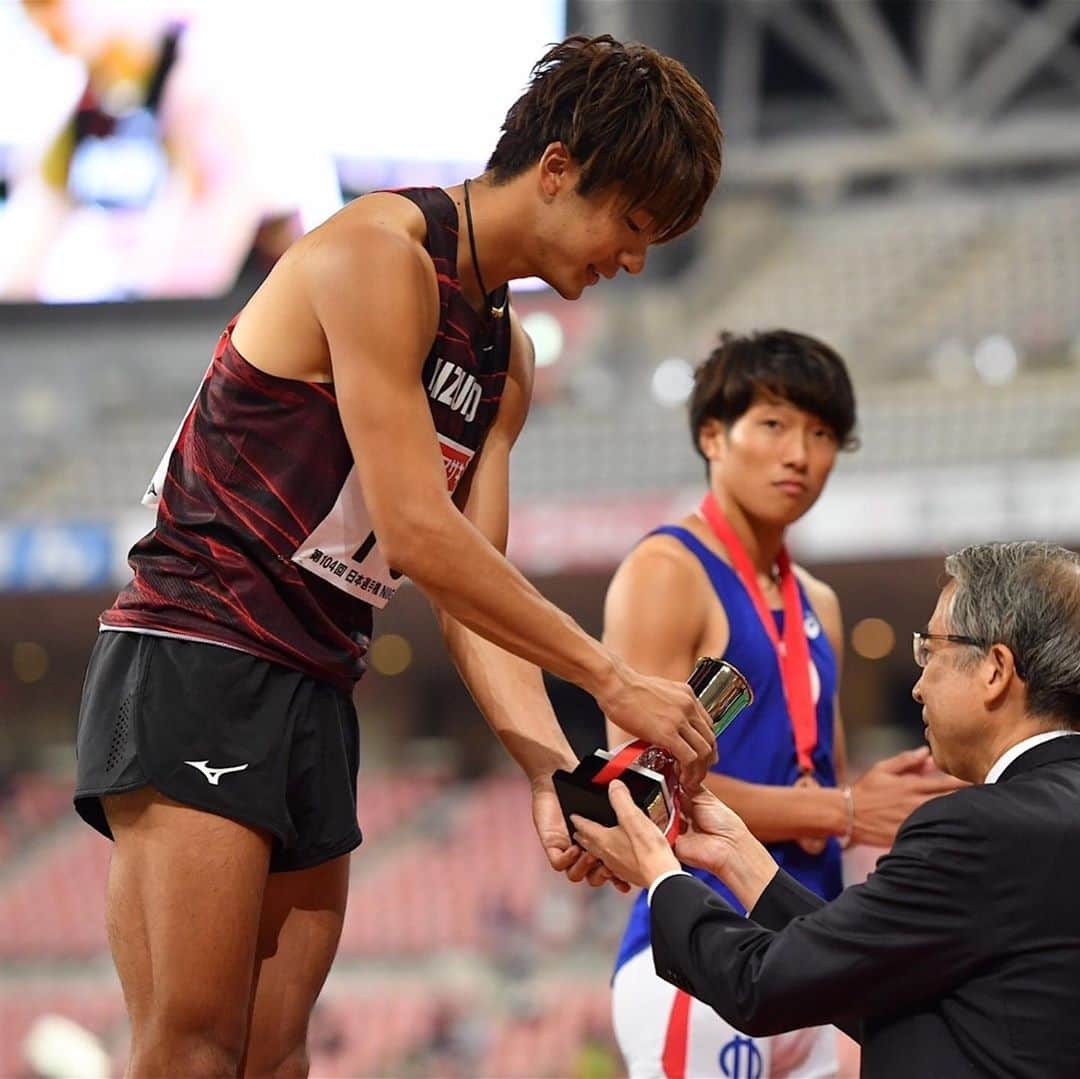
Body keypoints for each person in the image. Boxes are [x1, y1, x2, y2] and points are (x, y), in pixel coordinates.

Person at [71, 32, 723, 1079]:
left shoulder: (501, 357)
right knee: (193, 1050)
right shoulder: (379, 254)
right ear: (556, 170)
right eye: (631, 224)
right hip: (202, 650)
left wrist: (551, 765)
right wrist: (609, 679)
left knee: (278, 1058)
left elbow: (472, 590)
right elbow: (420, 533)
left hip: (319, 681)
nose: (633, 259)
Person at [575, 541, 1080, 1079]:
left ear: (996, 669)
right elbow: (886, 984)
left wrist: (660, 872)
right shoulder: (1043, 820)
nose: (916, 685)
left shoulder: (978, 829)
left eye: (930, 651)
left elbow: (760, 985)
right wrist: (738, 858)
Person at [602, 330, 962, 1078]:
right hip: (699, 950)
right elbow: (639, 791)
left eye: (823, 432)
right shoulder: (667, 569)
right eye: (773, 424)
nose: (800, 453)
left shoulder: (818, 603)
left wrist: (885, 797)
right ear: (712, 434)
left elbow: (815, 773)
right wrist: (845, 810)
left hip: (809, 954)